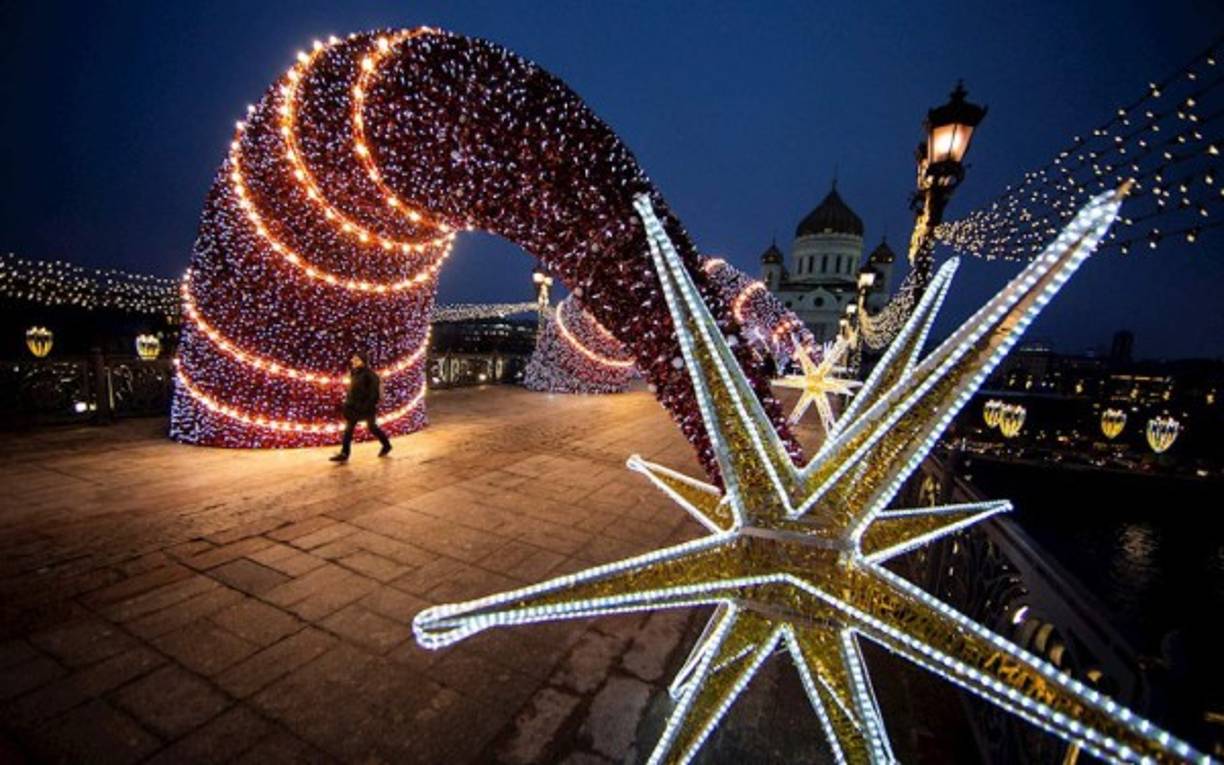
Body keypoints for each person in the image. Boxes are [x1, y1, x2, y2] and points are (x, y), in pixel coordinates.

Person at [330, 352, 392, 461]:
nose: (353, 361)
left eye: (357, 359)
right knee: (348, 430)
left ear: (363, 361)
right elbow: (352, 391)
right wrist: (348, 404)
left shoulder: (370, 375)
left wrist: (366, 406)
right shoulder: (354, 373)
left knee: (372, 427)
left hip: (366, 408)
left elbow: (374, 394)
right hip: (353, 407)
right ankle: (344, 453)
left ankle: (386, 445)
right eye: (353, 359)